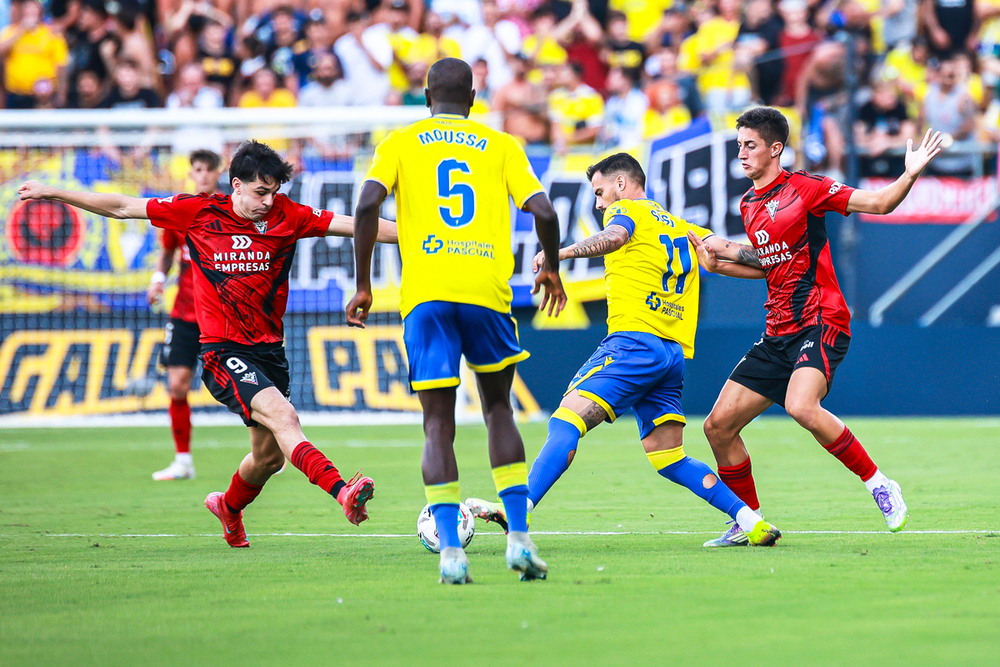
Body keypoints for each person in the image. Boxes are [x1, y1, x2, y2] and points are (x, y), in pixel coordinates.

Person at [18, 140, 398, 548]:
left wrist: (430, 236)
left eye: (274, 193)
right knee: (285, 416)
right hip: (222, 351)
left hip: (270, 350)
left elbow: (360, 225)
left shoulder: (290, 216)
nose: (269, 202)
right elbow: (122, 206)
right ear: (235, 185)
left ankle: (229, 507)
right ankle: (342, 490)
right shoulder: (198, 213)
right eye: (260, 192)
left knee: (268, 459)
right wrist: (54, 191)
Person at [464, 153, 782, 549]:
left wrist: (559, 253)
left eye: (600, 192)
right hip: (671, 357)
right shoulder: (683, 228)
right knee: (668, 457)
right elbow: (745, 254)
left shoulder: (626, 212)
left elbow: (615, 236)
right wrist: (790, 261)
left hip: (632, 344)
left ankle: (520, 509)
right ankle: (750, 520)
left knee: (565, 421)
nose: (599, 204)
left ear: (620, 184)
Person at [346, 58, 566, 585]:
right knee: (498, 412)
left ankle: (450, 553)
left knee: (437, 425)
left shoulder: (399, 142)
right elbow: (546, 213)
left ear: (426, 97)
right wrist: (552, 268)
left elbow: (367, 202)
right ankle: (517, 538)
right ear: (473, 97)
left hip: (426, 298)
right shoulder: (502, 145)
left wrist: (363, 283)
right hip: (486, 296)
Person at [686, 107, 943, 546]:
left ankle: (879, 483)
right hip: (778, 331)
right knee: (717, 427)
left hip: (821, 319)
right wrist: (719, 265)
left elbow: (879, 204)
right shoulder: (749, 204)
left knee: (801, 406)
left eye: (750, 145)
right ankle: (748, 522)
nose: (742, 154)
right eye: (739, 146)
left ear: (775, 148)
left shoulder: (807, 188)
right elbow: (770, 266)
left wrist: (909, 176)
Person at [146, 149, 223, 482]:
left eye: (209, 170)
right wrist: (158, 279)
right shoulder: (180, 211)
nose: (203, 175)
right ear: (191, 173)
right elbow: (168, 252)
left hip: (221, 315)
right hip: (184, 314)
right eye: (198, 169)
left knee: (241, 389)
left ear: (219, 174)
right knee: (177, 384)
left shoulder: (230, 212)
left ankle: (267, 451)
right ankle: (183, 460)